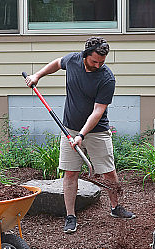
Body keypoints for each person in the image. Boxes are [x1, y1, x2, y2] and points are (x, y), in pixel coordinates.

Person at [24, 37, 135, 233]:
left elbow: (98, 111)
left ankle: (115, 207)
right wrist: (37, 76)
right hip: (70, 129)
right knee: (70, 173)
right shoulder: (73, 61)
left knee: (109, 172)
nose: (98, 65)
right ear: (85, 56)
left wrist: (82, 135)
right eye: (94, 61)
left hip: (97, 131)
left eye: (102, 62)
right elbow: (57, 63)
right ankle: (70, 216)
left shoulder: (106, 78)